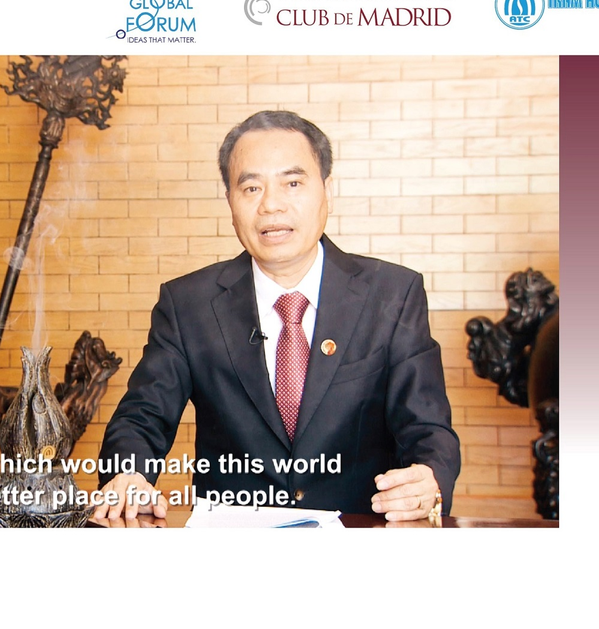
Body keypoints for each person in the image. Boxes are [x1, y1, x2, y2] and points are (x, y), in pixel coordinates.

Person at [95, 110, 460, 522]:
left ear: (326, 191)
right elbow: (142, 417)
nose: (271, 205)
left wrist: (430, 479)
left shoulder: (392, 294)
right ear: (230, 202)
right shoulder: (188, 304)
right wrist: (128, 474)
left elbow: (428, 428)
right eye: (251, 187)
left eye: (292, 183)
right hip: (232, 539)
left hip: (358, 534)